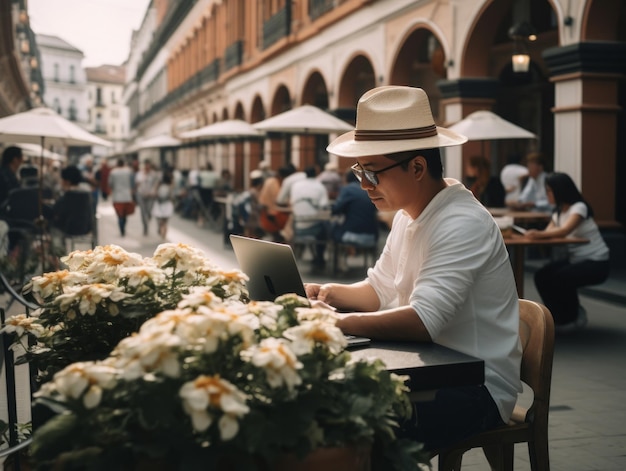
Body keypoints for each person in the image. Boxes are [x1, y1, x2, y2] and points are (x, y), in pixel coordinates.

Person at [304, 86, 522, 452]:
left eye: (371, 173)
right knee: (320, 402)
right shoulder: (410, 214)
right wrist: (322, 293)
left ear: (417, 167)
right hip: (427, 367)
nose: (362, 184)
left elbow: (424, 321)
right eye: (359, 170)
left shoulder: (460, 222)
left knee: (345, 425)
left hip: (476, 384)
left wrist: (334, 322)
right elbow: (379, 289)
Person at [526, 172, 610, 330]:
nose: (547, 194)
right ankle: (558, 316)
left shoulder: (579, 207)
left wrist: (538, 234)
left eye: (549, 190)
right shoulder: (558, 212)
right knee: (542, 276)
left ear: (560, 190)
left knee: (560, 278)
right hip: (576, 260)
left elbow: (564, 230)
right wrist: (538, 235)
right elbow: (549, 232)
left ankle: (571, 317)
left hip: (596, 262)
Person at [290, 165, 330, 268]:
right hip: (313, 227)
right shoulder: (320, 186)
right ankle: (320, 258)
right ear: (316, 174)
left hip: (297, 226)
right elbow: (324, 205)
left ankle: (313, 257)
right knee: (325, 228)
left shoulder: (296, 185)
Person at [331, 169, 379, 247]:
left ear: (347, 178)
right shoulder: (369, 189)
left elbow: (336, 210)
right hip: (371, 236)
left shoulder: (348, 189)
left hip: (352, 235)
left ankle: (333, 258)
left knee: (331, 227)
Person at [108, 158, 135, 237]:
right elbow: (132, 183)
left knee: (120, 214)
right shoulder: (129, 171)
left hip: (117, 196)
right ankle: (123, 227)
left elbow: (110, 184)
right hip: (127, 196)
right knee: (125, 214)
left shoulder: (113, 172)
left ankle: (121, 229)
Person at [135, 160, 160, 235]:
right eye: (146, 165)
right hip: (141, 195)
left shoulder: (154, 174)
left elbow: (156, 184)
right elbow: (137, 184)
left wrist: (153, 192)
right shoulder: (140, 174)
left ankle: (148, 219)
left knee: (149, 211)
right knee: (143, 211)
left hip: (150, 195)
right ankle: (145, 227)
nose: (147, 167)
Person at [151, 171, 175, 239]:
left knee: (160, 219)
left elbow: (155, 193)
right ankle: (163, 233)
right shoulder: (170, 186)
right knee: (165, 221)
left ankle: (161, 229)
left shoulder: (159, 185)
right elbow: (171, 196)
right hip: (167, 204)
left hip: (159, 203)